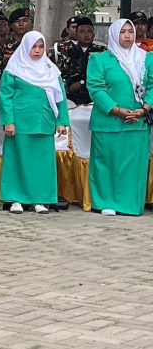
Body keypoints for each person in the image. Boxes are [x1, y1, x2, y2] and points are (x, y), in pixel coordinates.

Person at [86, 18, 153, 217]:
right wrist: (117, 110)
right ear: (114, 34)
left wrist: (144, 109)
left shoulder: (147, 58)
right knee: (106, 163)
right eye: (122, 32)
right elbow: (96, 88)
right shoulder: (99, 59)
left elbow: (151, 86)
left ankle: (130, 204)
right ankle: (105, 201)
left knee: (133, 166)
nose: (127, 36)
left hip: (138, 121)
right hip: (109, 121)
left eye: (130, 32)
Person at [0, 31, 69, 215]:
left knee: (42, 163)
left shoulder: (51, 70)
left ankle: (40, 199)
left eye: (40, 47)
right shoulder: (13, 69)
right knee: (17, 160)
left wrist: (61, 121)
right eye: (33, 47)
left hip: (44, 121)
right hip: (20, 123)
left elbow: (60, 97)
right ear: (25, 48)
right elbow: (5, 96)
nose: (37, 51)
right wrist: (8, 121)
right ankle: (16, 199)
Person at [58, 16, 106, 106]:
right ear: (76, 35)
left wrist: (81, 82)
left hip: (95, 96)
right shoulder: (66, 51)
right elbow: (64, 73)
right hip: (72, 98)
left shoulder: (101, 51)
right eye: (82, 31)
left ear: (94, 35)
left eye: (89, 31)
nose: (86, 35)